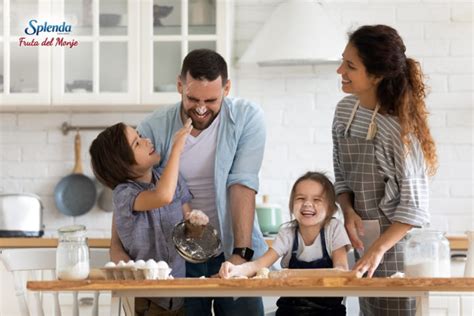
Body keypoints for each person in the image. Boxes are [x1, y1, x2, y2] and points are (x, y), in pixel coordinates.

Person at [110, 48, 268, 316]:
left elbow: (242, 184)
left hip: (234, 246)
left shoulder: (246, 118)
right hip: (178, 257)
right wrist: (116, 249)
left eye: (211, 99)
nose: (202, 108)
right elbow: (129, 189)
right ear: (180, 85)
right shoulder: (153, 128)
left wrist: (240, 254)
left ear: (227, 88)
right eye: (193, 98)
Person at [332, 25, 438, 315]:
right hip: (364, 242)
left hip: (398, 252)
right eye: (343, 60)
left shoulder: (398, 129)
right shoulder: (344, 112)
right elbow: (340, 176)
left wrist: (378, 249)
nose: (340, 70)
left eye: (351, 66)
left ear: (376, 75)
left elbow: (414, 207)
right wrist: (348, 211)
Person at [89, 119, 193, 315]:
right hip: (146, 299)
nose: (146, 141)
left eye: (140, 136)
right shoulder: (124, 195)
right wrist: (176, 150)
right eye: (137, 143)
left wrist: (196, 224)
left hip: (180, 293)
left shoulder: (171, 178)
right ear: (123, 166)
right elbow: (162, 196)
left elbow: (190, 219)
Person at [220, 172, 351, 316]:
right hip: (290, 310)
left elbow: (341, 270)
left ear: (330, 208)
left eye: (317, 199)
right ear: (291, 204)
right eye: (301, 198)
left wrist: (297, 275)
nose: (307, 204)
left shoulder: (334, 229)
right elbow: (259, 265)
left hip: (329, 312)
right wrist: (235, 270)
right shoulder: (288, 232)